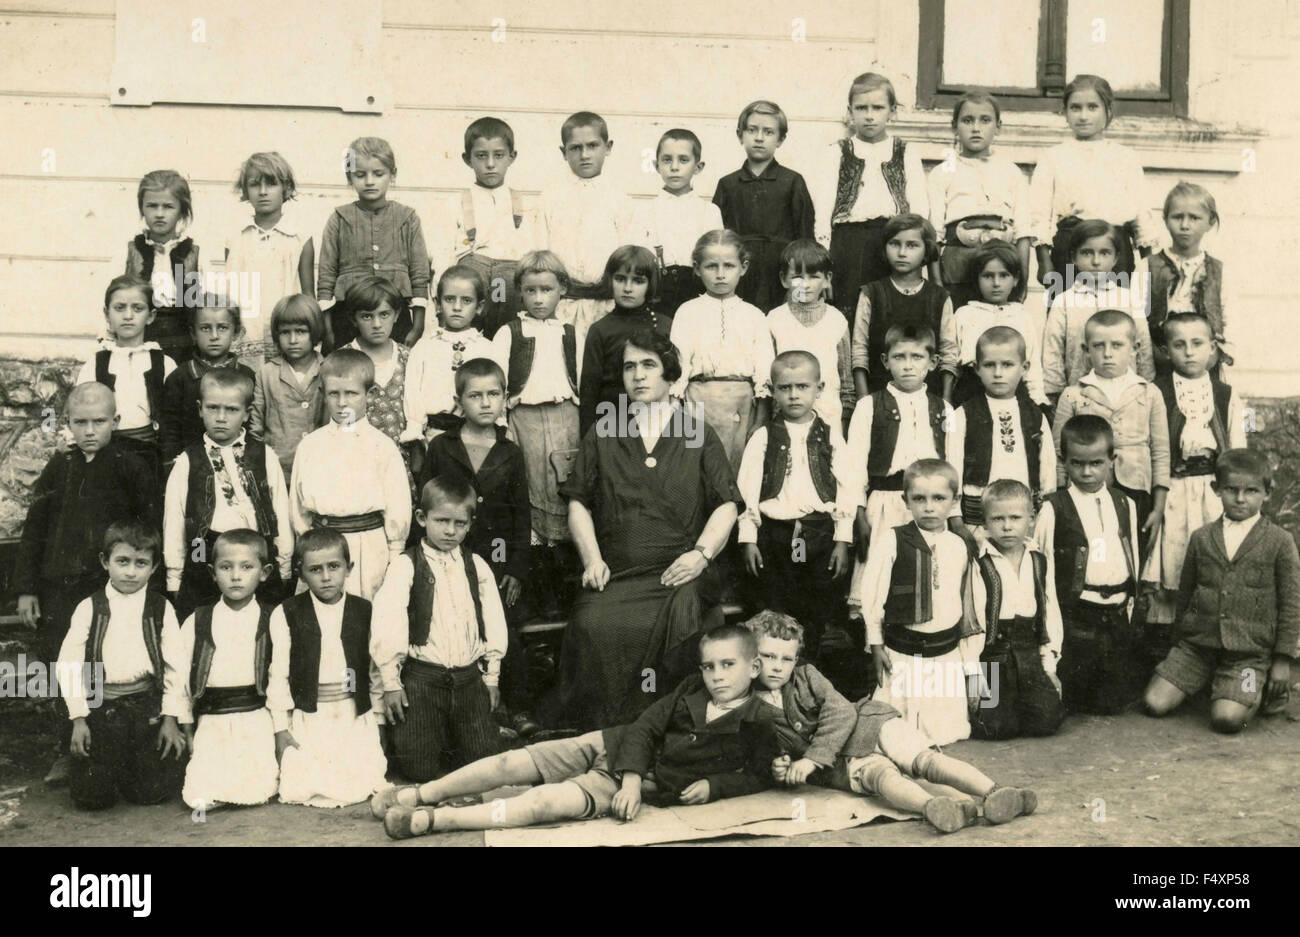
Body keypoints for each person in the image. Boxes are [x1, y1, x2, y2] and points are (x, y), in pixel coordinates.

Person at [371, 624, 781, 838]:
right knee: (510, 762)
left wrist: (714, 785)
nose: (716, 676)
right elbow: (645, 726)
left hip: (631, 782)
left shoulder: (760, 719)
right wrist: (633, 780)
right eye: (710, 666)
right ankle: (418, 793)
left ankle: (432, 820)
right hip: (611, 745)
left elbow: (757, 774)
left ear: (754, 668)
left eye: (728, 666)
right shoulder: (690, 688)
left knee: (541, 804)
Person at [541, 329, 742, 729]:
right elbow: (578, 500)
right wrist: (593, 559)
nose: (638, 375)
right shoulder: (605, 431)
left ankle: (674, 728)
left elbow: (728, 505)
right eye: (630, 366)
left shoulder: (696, 431)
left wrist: (701, 556)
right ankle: (607, 733)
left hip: (680, 570)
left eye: (649, 365)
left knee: (687, 618)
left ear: (671, 376)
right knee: (592, 623)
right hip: (620, 572)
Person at [750, 612, 1037, 833]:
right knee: (882, 777)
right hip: (841, 764)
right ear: (750, 659)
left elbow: (841, 712)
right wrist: (779, 768)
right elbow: (763, 753)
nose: (778, 666)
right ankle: (934, 808)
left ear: (796, 659)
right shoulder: (750, 708)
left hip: (868, 722)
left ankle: (996, 792)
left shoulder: (807, 675)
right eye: (768, 656)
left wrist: (811, 759)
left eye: (786, 659)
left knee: (926, 760)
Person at [15, 383, 160, 785]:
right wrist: (27, 588)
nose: (90, 430)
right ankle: (68, 746)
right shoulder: (60, 466)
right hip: (60, 587)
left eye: (99, 421)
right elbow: (34, 529)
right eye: (80, 422)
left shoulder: (131, 466)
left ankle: (117, 745)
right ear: (68, 424)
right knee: (64, 661)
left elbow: (147, 527)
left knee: (111, 657)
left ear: (115, 421)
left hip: (110, 586)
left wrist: (140, 580)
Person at [416, 358, 533, 732]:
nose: (485, 403)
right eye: (475, 395)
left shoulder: (510, 452)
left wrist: (515, 568)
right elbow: (427, 502)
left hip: (495, 558)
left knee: (501, 628)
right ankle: (463, 709)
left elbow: (521, 514)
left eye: (493, 395)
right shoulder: (442, 447)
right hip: (451, 554)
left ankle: (511, 707)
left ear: (505, 399)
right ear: (458, 401)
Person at [1144, 449, 1300, 730]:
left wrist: (1282, 661)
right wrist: (1178, 643)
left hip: (1249, 654)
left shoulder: (1280, 541)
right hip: (1198, 648)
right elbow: (1186, 593)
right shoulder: (1201, 538)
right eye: (1231, 490)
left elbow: (1291, 604)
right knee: (1155, 702)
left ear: (1267, 491)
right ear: (1216, 489)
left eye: (1251, 491)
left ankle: (1255, 687)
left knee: (1227, 719)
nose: (1240, 499)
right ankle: (1210, 682)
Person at [372, 475, 509, 782]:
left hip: (468, 679)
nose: (450, 530)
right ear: (422, 518)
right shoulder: (406, 565)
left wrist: (492, 676)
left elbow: (494, 621)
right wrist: (391, 682)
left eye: (460, 523)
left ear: (470, 524)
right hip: (422, 680)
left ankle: (461, 741)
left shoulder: (476, 565)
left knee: (483, 765)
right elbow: (388, 622)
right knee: (418, 769)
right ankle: (433, 742)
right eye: (442, 520)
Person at [55, 522, 185, 810]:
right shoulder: (90, 607)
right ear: (105, 562)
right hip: (100, 710)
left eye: (141, 563)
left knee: (151, 794)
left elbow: (177, 667)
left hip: (145, 709)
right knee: (92, 798)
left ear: (153, 567)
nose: (130, 571)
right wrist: (78, 719)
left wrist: (170, 718)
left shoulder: (160, 607)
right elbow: (68, 664)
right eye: (122, 561)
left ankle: (135, 770)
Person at [737, 352, 855, 661]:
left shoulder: (830, 436)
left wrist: (842, 539)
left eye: (802, 386)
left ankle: (807, 671)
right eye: (784, 387)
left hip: (817, 535)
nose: (793, 395)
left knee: (813, 608)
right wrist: (748, 538)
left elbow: (847, 488)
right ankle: (771, 675)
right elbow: (747, 491)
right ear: (773, 391)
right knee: (773, 606)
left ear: (820, 388)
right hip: (775, 536)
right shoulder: (763, 436)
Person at [860, 459, 982, 747]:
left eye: (939, 498)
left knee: (944, 732)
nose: (929, 507)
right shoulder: (892, 539)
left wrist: (971, 667)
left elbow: (969, 610)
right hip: (902, 651)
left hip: (944, 654)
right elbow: (873, 594)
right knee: (891, 732)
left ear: (954, 501)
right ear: (906, 501)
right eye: (919, 499)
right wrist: (875, 644)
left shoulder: (959, 546)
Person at [161, 529, 280, 809]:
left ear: (264, 572)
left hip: (256, 718)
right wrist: (186, 722)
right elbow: (179, 675)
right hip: (212, 719)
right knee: (199, 797)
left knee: (255, 792)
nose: (235, 576)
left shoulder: (274, 617)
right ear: (213, 573)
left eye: (246, 567)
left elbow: (282, 675)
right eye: (226, 567)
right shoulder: (198, 619)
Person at [268, 529, 388, 807]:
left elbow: (373, 670)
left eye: (334, 566)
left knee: (364, 778)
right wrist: (280, 728)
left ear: (349, 568)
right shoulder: (287, 612)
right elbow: (279, 675)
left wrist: (378, 717)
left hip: (352, 713)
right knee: (303, 784)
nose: (325, 577)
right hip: (311, 715)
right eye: (315, 569)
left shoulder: (364, 610)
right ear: (301, 573)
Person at [163, 368, 292, 621]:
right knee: (204, 617)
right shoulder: (188, 460)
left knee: (261, 622)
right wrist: (175, 576)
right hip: (203, 547)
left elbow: (281, 512)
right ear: (200, 409)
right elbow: (175, 520)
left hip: (256, 549)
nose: (221, 417)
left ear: (246, 413)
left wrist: (284, 565)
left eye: (231, 410)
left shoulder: (264, 455)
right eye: (213, 408)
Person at [1144, 314, 1247, 630]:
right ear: (1165, 350)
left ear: (1212, 349)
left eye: (1197, 344)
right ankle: (1172, 634)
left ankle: (1210, 626)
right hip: (1173, 489)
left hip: (1213, 492)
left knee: (1213, 556)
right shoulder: (1154, 391)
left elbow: (1238, 448)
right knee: (1175, 556)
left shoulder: (1226, 395)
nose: (1189, 352)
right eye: (1179, 345)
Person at [1034, 416, 1143, 714]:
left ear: (1112, 460)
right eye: (1077, 463)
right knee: (1073, 703)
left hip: (1117, 620)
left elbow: (1132, 561)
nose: (1086, 472)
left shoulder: (1125, 504)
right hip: (1077, 621)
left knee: (1113, 704)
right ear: (1063, 462)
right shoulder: (1052, 507)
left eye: (1096, 463)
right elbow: (1043, 574)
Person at [845, 325, 954, 610]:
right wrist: (858, 514)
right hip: (883, 505)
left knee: (924, 581)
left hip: (929, 506)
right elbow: (854, 465)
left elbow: (953, 464)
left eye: (917, 357)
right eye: (899, 357)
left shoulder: (945, 409)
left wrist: (953, 514)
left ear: (932, 363)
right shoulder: (868, 406)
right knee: (880, 581)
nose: (907, 366)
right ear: (885, 361)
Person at [290, 349, 412, 600]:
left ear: (369, 395)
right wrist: (306, 546)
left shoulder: (383, 446)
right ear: (323, 395)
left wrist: (395, 555)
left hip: (369, 549)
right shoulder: (310, 446)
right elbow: (298, 508)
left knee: (365, 619)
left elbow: (398, 506)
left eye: (351, 394)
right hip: (321, 549)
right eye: (334, 394)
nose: (343, 402)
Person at [1052, 309, 1169, 557]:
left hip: (1137, 489)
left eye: (1117, 345)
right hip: (1085, 486)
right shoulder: (1073, 394)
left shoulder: (1149, 393)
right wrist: (1062, 495)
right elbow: (1058, 453)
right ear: (1085, 350)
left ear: (1135, 347)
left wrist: (1158, 508)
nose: (1107, 354)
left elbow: (1160, 452)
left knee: (1132, 554)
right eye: (1098, 346)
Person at [1029, 74, 1160, 295]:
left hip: (1115, 248)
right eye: (1075, 108)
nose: (1083, 116)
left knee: (1114, 317)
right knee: (1069, 314)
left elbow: (1140, 214)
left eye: (1092, 107)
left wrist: (1150, 264)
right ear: (1065, 113)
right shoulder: (1053, 157)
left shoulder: (1125, 157)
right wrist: (1044, 261)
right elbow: (1038, 213)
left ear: (1108, 111)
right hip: (1069, 247)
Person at [812, 73, 927, 322]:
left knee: (888, 313)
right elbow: (823, 212)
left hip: (893, 244)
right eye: (861, 108)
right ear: (850, 111)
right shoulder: (837, 153)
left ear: (892, 111)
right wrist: (823, 265)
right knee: (849, 311)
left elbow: (919, 211)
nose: (869, 115)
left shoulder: (906, 153)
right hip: (847, 245)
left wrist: (917, 256)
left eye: (878, 107)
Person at [491, 251, 581, 562]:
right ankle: (535, 564)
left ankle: (562, 563)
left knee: (563, 484)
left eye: (547, 290)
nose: (539, 299)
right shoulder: (510, 332)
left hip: (565, 420)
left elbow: (580, 378)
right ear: (520, 292)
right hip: (524, 420)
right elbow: (496, 383)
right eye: (531, 291)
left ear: (563, 290)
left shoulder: (570, 332)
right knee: (528, 486)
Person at [669, 229, 775, 470]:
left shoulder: (754, 316)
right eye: (711, 266)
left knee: (738, 470)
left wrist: (760, 420)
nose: (720, 275)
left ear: (743, 267)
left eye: (728, 266)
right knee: (700, 469)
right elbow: (679, 366)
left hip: (742, 406)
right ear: (696, 268)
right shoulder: (687, 312)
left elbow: (764, 370)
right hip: (699, 403)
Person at [968, 481, 1065, 739]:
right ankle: (1001, 706)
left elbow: (1049, 609)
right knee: (995, 728)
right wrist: (975, 678)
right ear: (985, 523)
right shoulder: (980, 561)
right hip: (993, 656)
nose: (1007, 526)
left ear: (1031, 519)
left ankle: (1023, 702)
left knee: (1046, 721)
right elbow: (974, 621)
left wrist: (1050, 668)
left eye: (1015, 517)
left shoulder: (1038, 560)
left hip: (1028, 651)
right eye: (998, 518)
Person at [317, 136, 430, 348]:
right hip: (348, 316)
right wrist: (327, 328)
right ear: (350, 178)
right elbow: (326, 276)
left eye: (378, 174)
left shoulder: (407, 218)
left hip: (394, 315)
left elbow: (419, 274)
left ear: (392, 175)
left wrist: (418, 325)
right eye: (360, 175)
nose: (369, 181)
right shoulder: (340, 219)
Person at [947, 327, 1055, 541]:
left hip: (1023, 520)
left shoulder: (1035, 415)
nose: (998, 373)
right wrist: (955, 517)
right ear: (976, 368)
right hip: (977, 521)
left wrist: (1046, 508)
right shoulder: (962, 415)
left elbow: (1048, 469)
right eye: (989, 365)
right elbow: (953, 465)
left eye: (1007, 365)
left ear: (1024, 368)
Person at [536, 111, 634, 347]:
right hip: (562, 305)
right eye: (575, 148)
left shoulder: (621, 200)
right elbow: (541, 253)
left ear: (608, 147)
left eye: (592, 146)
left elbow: (628, 256)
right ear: (563, 152)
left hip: (606, 304)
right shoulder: (549, 199)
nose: (585, 155)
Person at [927, 91, 1031, 311]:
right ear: (954, 126)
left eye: (985, 120)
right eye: (967, 120)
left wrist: (1021, 278)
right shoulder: (943, 172)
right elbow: (934, 235)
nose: (976, 128)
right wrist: (936, 283)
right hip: (958, 266)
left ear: (998, 126)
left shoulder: (1011, 171)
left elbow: (1022, 232)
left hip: (1001, 268)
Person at [712, 100, 815, 311]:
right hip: (741, 271)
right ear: (740, 135)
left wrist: (799, 288)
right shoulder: (728, 184)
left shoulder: (792, 181)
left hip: (781, 271)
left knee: (785, 321)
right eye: (752, 130)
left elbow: (804, 241)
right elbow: (718, 238)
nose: (759, 137)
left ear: (781, 139)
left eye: (768, 132)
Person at [77, 275, 177, 480]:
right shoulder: (96, 364)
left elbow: (175, 416)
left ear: (151, 316)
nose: (128, 315)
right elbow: (79, 409)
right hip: (107, 453)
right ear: (107, 314)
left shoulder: (164, 363)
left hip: (151, 455)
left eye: (138, 308)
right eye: (120, 308)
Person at [1041, 219, 1154, 400]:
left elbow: (1144, 348)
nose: (1096, 261)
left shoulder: (1129, 299)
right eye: (1086, 253)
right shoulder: (1063, 301)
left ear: (1115, 258)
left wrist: (1145, 386)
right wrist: (1056, 396)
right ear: (1073, 257)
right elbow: (1052, 352)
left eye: (1104, 253)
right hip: (1080, 397)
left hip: (1126, 396)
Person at [444, 117, 536, 339]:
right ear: (468, 159)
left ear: (512, 157)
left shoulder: (524, 203)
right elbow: (443, 254)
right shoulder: (457, 202)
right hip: (474, 279)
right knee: (469, 337)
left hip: (510, 282)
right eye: (481, 156)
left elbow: (533, 251)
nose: (491, 164)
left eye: (499, 155)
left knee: (508, 338)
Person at [223, 151, 315, 368]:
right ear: (245, 191)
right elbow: (229, 292)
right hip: (246, 332)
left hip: (286, 332)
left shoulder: (299, 237)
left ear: (287, 189)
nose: (263, 192)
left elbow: (308, 294)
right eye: (255, 184)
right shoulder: (235, 237)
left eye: (271, 184)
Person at [851, 214, 955, 398]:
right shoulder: (871, 293)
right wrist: (863, 403)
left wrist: (946, 404)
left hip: (929, 400)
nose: (902, 252)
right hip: (879, 400)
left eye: (912, 245)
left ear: (927, 250)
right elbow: (860, 351)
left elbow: (948, 355)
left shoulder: (939, 297)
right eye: (894, 244)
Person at [401, 265, 502, 449]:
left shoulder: (488, 348)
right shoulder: (424, 347)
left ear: (479, 307)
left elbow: (497, 392)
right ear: (438, 304)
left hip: (479, 436)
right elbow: (413, 391)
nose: (457, 307)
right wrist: (415, 431)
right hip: (435, 435)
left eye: (466, 300)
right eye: (449, 299)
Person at [578, 245, 672, 437]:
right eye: (620, 279)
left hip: (658, 422)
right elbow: (589, 393)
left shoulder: (664, 326)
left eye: (638, 281)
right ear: (610, 280)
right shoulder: (600, 330)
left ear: (650, 284)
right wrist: (590, 443)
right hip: (614, 424)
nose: (627, 288)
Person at [941, 240, 1047, 407]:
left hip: (1013, 392)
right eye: (988, 276)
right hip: (971, 392)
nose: (996, 283)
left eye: (1004, 275)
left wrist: (1038, 401)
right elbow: (952, 361)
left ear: (1016, 279)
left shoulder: (1022, 316)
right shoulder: (964, 314)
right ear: (977, 279)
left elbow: (1032, 367)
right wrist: (946, 401)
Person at [1144, 181, 1233, 376]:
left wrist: (1215, 356)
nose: (1185, 225)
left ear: (1210, 222)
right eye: (1177, 217)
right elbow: (1137, 319)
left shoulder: (1218, 270)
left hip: (1205, 362)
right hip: (1159, 362)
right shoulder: (1148, 266)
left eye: (1194, 218)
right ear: (1165, 219)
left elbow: (1228, 319)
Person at [766, 239, 854, 433]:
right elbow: (768, 379)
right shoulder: (774, 319)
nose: (805, 285)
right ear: (783, 279)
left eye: (814, 276)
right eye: (797, 276)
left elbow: (846, 381)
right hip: (785, 420)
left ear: (827, 279)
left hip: (829, 415)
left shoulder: (837, 320)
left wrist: (845, 422)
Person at [631, 128, 722, 316]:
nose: (674, 167)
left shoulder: (709, 211)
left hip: (697, 293)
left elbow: (716, 257)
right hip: (656, 295)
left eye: (683, 160)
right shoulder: (644, 210)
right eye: (667, 160)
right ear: (656, 166)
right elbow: (637, 258)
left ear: (698, 167)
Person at [114, 169, 200, 362]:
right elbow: (111, 299)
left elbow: (205, 307)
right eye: (152, 206)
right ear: (142, 208)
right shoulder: (129, 252)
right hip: (138, 346)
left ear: (182, 210)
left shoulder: (195, 254)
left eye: (168, 206)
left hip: (184, 348)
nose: (160, 214)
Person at [160, 297, 254, 469]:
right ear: (193, 334)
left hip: (237, 464)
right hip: (191, 466)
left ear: (236, 333)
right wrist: (171, 467)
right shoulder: (180, 378)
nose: (214, 336)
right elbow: (170, 430)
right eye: (205, 328)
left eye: (223, 328)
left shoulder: (247, 376)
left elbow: (252, 426)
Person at [249, 294, 327, 480]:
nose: (292, 340)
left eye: (300, 331)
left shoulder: (328, 370)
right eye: (285, 332)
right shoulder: (266, 373)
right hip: (278, 469)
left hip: (320, 465)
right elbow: (256, 426)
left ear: (314, 332)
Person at [341, 276, 411, 449]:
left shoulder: (409, 358)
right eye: (367, 316)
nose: (377, 324)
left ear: (396, 315)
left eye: (384, 314)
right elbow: (341, 413)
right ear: (353, 319)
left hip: (402, 458)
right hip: (358, 456)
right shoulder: (343, 359)